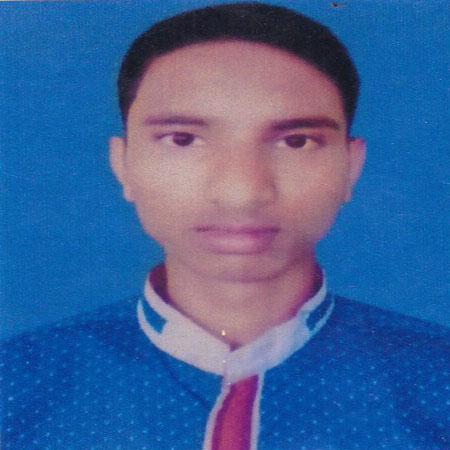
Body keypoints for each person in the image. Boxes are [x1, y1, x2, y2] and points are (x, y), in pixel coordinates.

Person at [2, 3, 449, 449]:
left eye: (296, 141)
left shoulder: (438, 382)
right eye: (183, 139)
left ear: (350, 167)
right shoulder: (15, 385)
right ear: (123, 165)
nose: (242, 192)